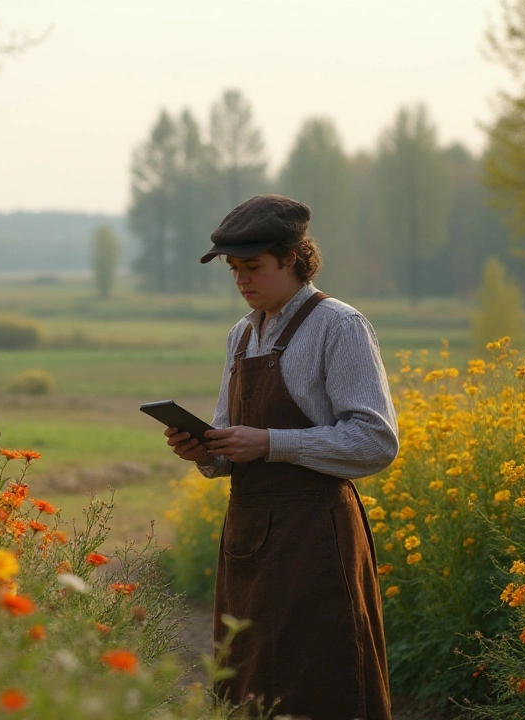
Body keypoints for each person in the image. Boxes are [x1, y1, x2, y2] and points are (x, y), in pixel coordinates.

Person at [165, 194, 398, 720]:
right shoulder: (242, 335)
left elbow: (376, 440)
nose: (242, 280)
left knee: (321, 680)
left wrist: (271, 442)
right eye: (234, 269)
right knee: (246, 682)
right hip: (247, 539)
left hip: (315, 539)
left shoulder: (339, 326)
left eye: (254, 267)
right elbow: (232, 438)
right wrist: (207, 450)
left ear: (292, 258)